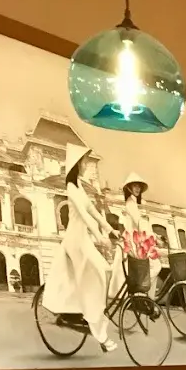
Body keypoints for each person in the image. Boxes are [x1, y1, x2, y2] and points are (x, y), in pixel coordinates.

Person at [40, 144, 118, 351]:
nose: (86, 165)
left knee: (105, 271)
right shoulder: (70, 188)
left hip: (83, 239)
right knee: (96, 275)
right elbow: (83, 216)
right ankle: (99, 333)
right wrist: (99, 237)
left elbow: (92, 211)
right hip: (75, 241)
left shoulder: (80, 187)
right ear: (76, 165)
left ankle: (86, 313)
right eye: (83, 162)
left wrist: (110, 229)